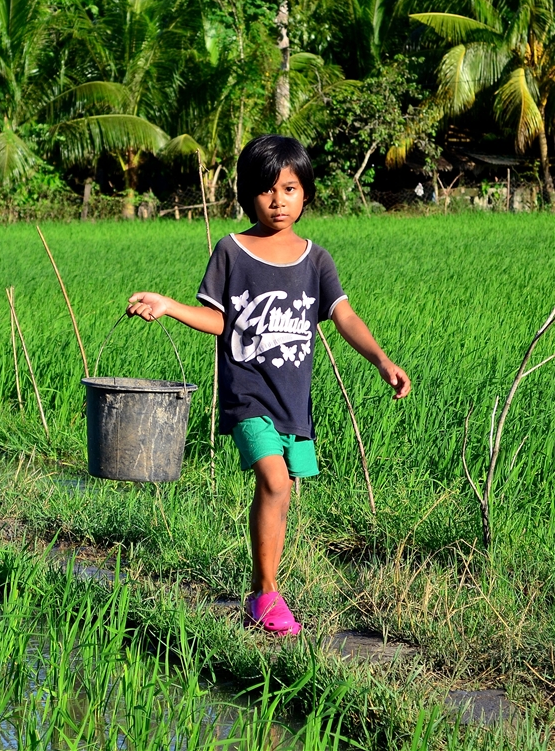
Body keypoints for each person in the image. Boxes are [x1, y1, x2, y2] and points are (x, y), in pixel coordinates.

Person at [126, 135, 410, 636]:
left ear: (306, 194)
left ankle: (264, 590)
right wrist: (169, 305)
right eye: (266, 190)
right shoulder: (231, 251)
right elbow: (218, 321)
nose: (278, 200)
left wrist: (382, 361)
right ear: (246, 195)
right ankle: (265, 594)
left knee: (280, 492)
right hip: (247, 395)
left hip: (292, 401)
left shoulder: (315, 260)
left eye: (290, 188)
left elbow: (343, 317)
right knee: (275, 481)